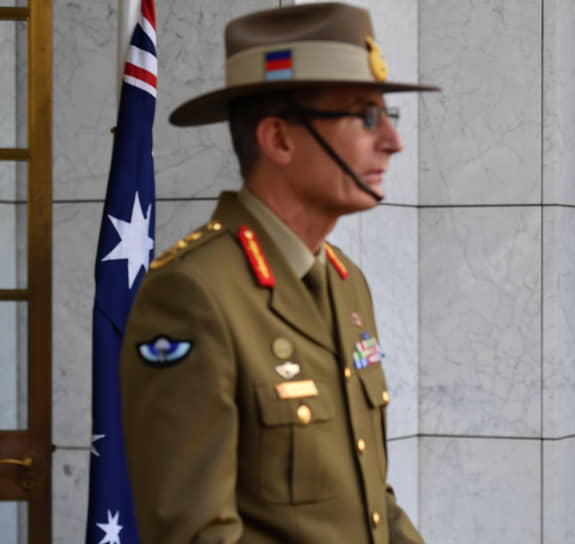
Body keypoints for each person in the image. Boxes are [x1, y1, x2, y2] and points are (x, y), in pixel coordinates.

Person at [119, 4, 437, 542]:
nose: (392, 141)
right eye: (365, 117)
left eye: (388, 116)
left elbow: (371, 504)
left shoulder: (345, 282)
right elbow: (197, 535)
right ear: (279, 139)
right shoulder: (192, 294)